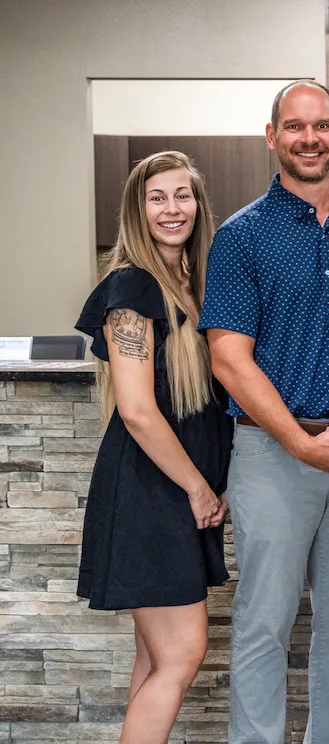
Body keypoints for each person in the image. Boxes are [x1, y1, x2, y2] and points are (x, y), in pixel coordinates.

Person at [199, 80, 329, 743]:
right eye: (294, 126)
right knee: (263, 627)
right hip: (268, 454)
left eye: (321, 126)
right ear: (272, 137)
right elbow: (229, 357)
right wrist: (298, 441)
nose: (308, 138)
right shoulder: (241, 237)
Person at [75, 151, 230, 740]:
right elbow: (138, 410)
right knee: (182, 655)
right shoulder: (132, 286)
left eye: (182, 196)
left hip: (177, 493)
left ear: (198, 203)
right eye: (156, 198)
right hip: (151, 492)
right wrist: (197, 487)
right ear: (137, 211)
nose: (172, 209)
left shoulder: (196, 285)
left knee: (153, 659)